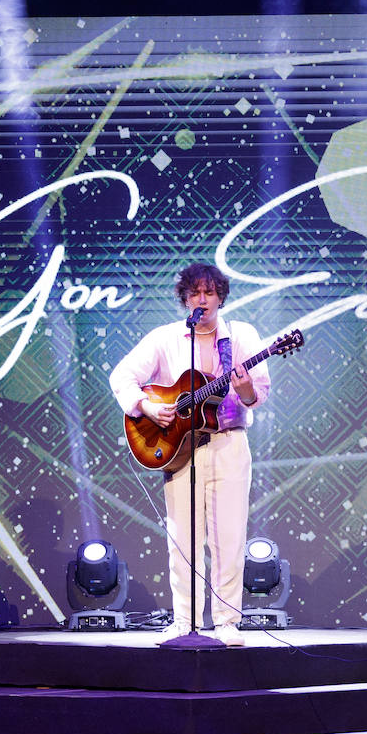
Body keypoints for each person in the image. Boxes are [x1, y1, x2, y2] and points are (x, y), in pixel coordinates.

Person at [109, 262, 270, 646]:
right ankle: (184, 621)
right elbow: (122, 376)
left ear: (220, 297)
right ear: (185, 298)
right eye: (196, 293)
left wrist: (244, 388)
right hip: (180, 449)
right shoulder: (165, 338)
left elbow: (256, 395)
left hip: (229, 444)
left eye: (210, 292)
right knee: (182, 538)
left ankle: (227, 622)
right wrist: (145, 407)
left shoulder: (241, 336)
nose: (203, 299)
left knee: (229, 537)